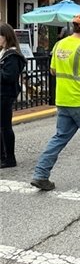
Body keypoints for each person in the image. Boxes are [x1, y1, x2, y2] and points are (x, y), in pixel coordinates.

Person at [31, 14, 80, 191]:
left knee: (59, 138)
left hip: (63, 100)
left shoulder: (59, 44)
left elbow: (52, 70)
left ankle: (40, 174)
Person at [0, 22, 26, 168]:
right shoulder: (4, 53)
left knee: (5, 126)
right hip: (2, 92)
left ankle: (9, 158)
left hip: (5, 94)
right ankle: (2, 156)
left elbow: (9, 76)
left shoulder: (12, 55)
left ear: (6, 36)